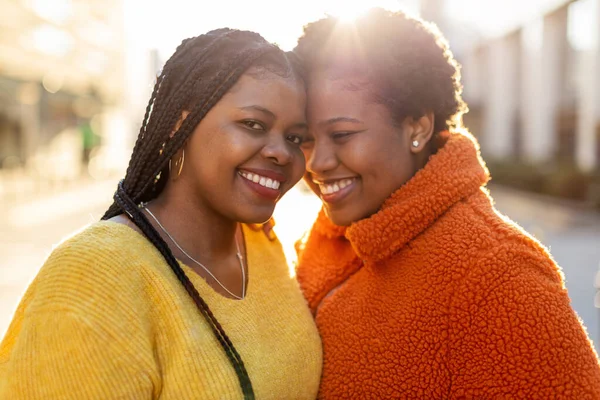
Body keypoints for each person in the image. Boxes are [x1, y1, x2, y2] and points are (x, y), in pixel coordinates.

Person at [0, 29, 322, 399]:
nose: (282, 153)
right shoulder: (95, 273)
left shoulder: (263, 244)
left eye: (296, 138)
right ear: (179, 124)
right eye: (253, 124)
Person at [294, 9, 600, 399]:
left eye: (341, 134)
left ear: (417, 127)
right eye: (304, 138)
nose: (316, 162)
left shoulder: (501, 282)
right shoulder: (329, 238)